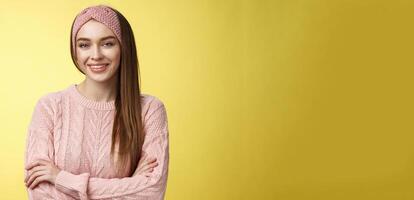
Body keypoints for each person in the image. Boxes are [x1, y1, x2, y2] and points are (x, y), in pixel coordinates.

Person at [23, 4, 169, 200]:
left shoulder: (149, 110)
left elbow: (151, 191)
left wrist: (61, 178)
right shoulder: (50, 107)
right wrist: (132, 183)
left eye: (107, 43)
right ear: (75, 51)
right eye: (84, 45)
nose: (96, 55)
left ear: (124, 47)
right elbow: (40, 193)